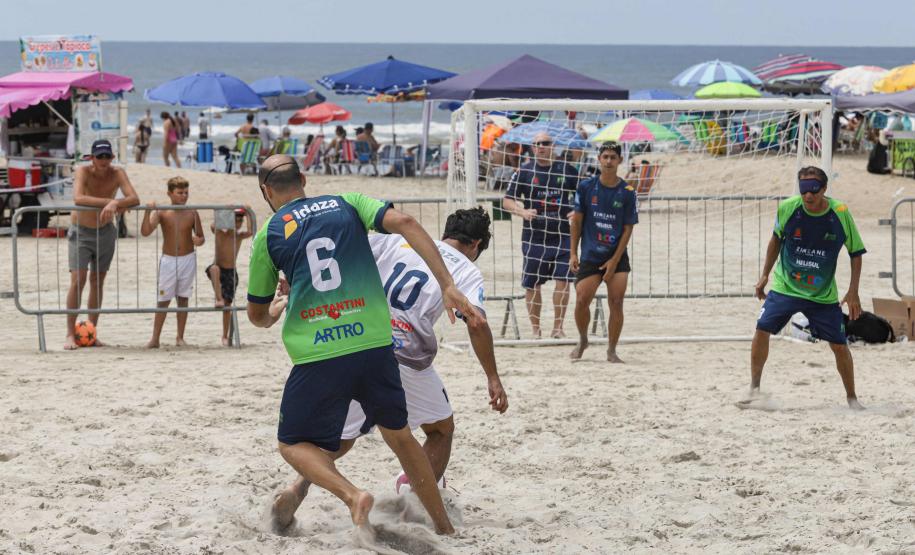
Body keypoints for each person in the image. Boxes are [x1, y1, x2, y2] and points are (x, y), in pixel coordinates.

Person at [246, 154, 481, 534]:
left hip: (318, 349)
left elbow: (256, 317)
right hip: (374, 343)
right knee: (401, 436)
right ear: (304, 178)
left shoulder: (270, 233)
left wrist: (275, 310)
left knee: (291, 443)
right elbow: (405, 221)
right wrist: (448, 283)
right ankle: (444, 528)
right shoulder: (347, 202)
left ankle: (352, 495)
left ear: (265, 191)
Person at [270, 207, 509, 529]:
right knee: (440, 430)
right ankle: (413, 505)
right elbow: (476, 323)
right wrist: (493, 377)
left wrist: (296, 285)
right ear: (476, 244)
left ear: (445, 233)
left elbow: (338, 258)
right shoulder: (466, 270)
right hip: (406, 356)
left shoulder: (397, 242)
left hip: (360, 342)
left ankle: (297, 488)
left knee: (340, 439)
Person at [740, 166, 866, 410]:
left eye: (814, 190)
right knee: (762, 328)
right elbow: (775, 239)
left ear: (824, 189)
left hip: (822, 294)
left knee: (839, 345)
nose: (808, 195)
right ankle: (754, 388)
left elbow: (856, 253)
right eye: (804, 189)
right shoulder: (788, 207)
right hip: (786, 286)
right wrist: (765, 275)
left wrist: (853, 291)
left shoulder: (840, 212)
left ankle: (852, 398)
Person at [502, 131, 579, 338]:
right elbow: (507, 200)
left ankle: (558, 328)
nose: (541, 147)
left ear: (553, 146)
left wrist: (579, 210)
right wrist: (522, 211)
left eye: (545, 143)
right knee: (532, 284)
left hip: (563, 235)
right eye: (536, 144)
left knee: (564, 281)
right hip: (534, 236)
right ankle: (536, 330)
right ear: (532, 148)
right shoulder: (524, 172)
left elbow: (585, 193)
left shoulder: (567, 169)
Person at [64, 139, 140, 350]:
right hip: (81, 232)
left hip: (105, 232)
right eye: (100, 157)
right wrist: (110, 202)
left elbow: (134, 198)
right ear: (92, 158)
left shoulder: (117, 173)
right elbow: (78, 198)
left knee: (97, 280)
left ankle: (91, 333)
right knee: (78, 280)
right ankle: (70, 334)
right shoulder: (83, 171)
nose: (104, 160)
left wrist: (116, 202)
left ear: (112, 157)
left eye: (107, 156)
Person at [569, 142, 638, 363]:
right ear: (599, 159)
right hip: (590, 254)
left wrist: (615, 260)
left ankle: (611, 350)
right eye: (605, 156)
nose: (609, 161)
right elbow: (577, 222)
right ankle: (582, 339)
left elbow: (628, 228)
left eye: (613, 157)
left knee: (616, 302)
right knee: (581, 300)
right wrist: (573, 253)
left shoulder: (627, 192)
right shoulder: (586, 187)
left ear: (619, 161)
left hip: (616, 255)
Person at [141, 177, 205, 348]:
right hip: (168, 260)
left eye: (186, 193)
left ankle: (180, 337)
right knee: (163, 300)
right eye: (179, 193)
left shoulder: (192, 213)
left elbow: (201, 236)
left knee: (183, 299)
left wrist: (198, 240)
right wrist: (148, 212)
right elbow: (146, 232)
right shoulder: (162, 212)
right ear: (170, 194)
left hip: (188, 258)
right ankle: (155, 338)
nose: (183, 196)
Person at [206, 207, 253, 346]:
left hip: (231, 272)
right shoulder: (220, 233)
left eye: (240, 220)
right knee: (213, 269)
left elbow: (250, 231)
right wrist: (227, 211)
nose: (238, 222)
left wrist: (249, 212)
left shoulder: (238, 236)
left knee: (228, 306)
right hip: (219, 269)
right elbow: (213, 226)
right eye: (235, 219)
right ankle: (218, 298)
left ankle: (225, 335)